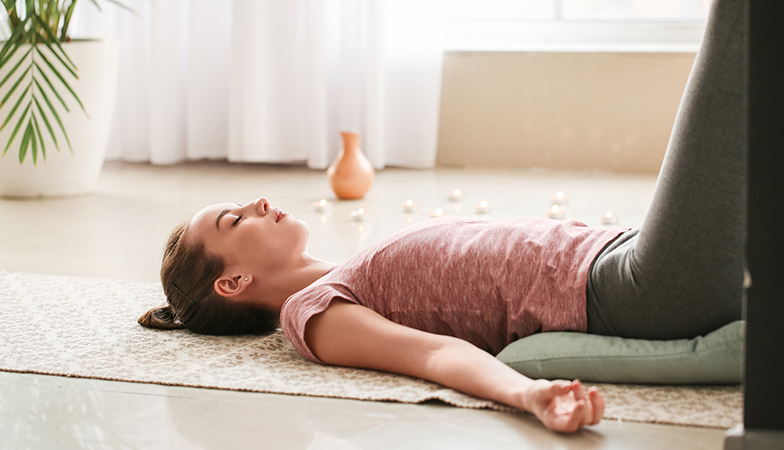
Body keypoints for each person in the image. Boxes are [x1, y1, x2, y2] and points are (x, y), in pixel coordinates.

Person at [139, 0, 745, 434]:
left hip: (631, 255)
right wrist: (529, 396)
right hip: (639, 287)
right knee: (739, 29)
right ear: (233, 282)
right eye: (235, 220)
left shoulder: (351, 272)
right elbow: (432, 356)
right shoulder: (312, 313)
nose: (258, 203)